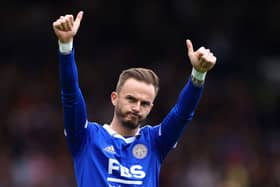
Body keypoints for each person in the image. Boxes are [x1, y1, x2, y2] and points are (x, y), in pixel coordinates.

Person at [53, 11, 216, 187]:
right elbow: (70, 95)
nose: (137, 107)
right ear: (114, 98)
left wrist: (198, 73)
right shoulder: (85, 137)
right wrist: (66, 46)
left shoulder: (155, 142)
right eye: (131, 99)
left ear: (151, 108)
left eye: (144, 103)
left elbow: (182, 114)